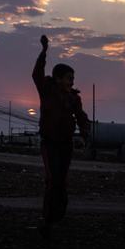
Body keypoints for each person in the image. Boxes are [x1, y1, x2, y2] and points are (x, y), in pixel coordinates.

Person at [32, 34, 91, 238]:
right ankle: (48, 220)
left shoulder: (74, 98)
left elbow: (82, 117)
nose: (72, 82)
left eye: (73, 79)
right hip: (49, 144)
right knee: (51, 179)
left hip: (66, 145)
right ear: (58, 79)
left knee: (61, 181)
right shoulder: (47, 90)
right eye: (69, 78)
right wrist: (44, 52)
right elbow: (37, 74)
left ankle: (58, 214)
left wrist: (85, 132)